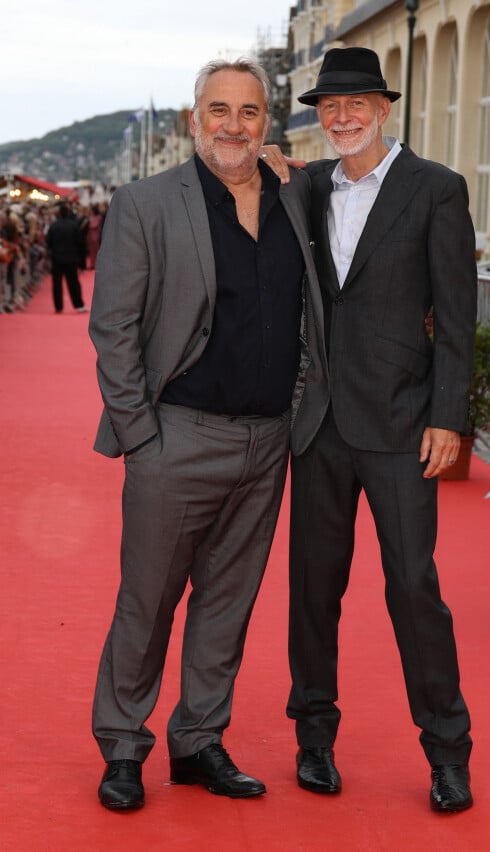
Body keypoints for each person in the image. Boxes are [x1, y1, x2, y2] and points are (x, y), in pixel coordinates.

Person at [88, 58, 328, 812]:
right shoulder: (146, 202)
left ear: (268, 124)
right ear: (195, 119)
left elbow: (302, 314)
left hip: (266, 445)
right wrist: (141, 436)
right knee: (148, 602)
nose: (233, 125)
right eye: (218, 109)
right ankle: (124, 746)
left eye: (250, 112)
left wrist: (291, 409)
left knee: (227, 604)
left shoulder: (294, 199)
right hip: (176, 437)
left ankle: (199, 741)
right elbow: (114, 325)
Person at [262, 46, 477, 812]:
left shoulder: (436, 190)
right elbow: (245, 165)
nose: (343, 118)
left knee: (414, 587)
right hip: (319, 424)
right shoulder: (307, 183)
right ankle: (313, 738)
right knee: (314, 589)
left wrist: (450, 416)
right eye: (328, 108)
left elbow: (457, 315)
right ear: (318, 118)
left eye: (356, 106)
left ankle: (448, 751)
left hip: (400, 421)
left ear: (385, 108)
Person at [46, 203, 88, 313]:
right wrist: (81, 260)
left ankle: (58, 307)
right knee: (73, 282)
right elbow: (80, 243)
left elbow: (48, 242)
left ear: (59, 213)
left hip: (57, 258)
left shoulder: (54, 226)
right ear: (68, 213)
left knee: (57, 284)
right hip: (71, 258)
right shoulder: (74, 226)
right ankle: (78, 304)